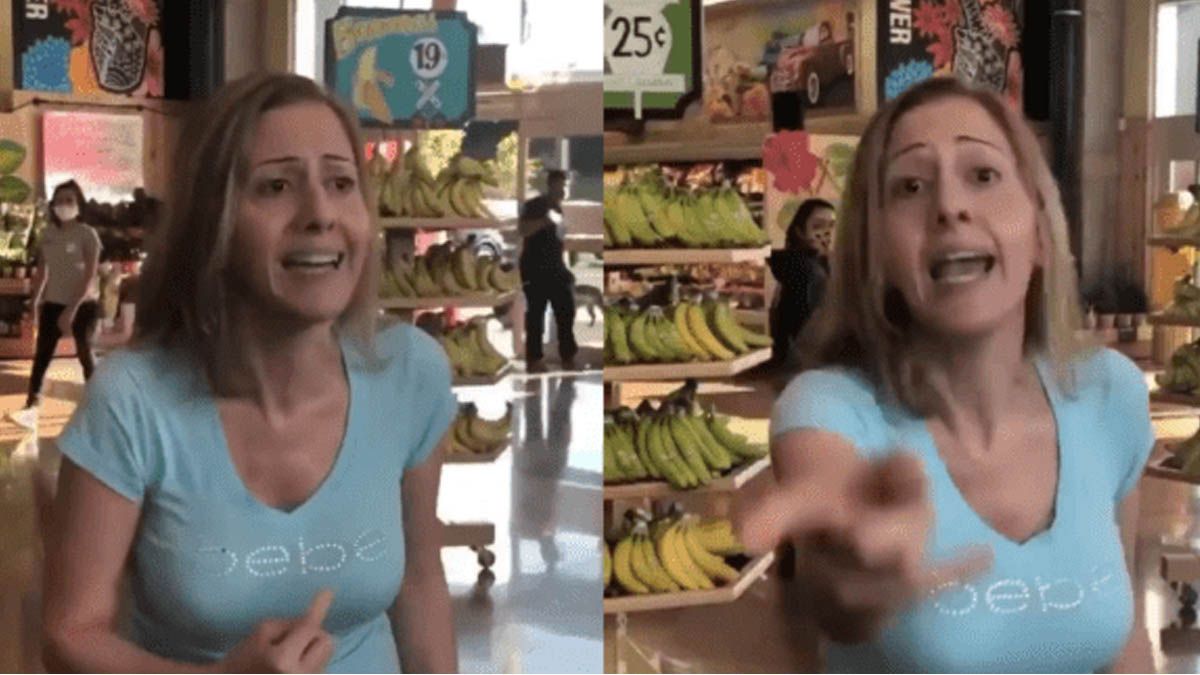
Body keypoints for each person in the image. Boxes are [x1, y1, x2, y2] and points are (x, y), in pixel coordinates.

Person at [42, 73, 458, 673]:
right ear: (215, 223)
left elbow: (420, 581)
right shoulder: (133, 402)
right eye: (277, 185)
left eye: (341, 183)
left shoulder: (409, 372)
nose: (320, 214)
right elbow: (68, 635)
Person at [736, 77, 1154, 672]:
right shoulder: (830, 408)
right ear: (877, 251)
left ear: (1038, 229)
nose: (949, 207)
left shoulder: (1108, 394)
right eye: (910, 186)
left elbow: (1124, 639)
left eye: (982, 175)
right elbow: (840, 588)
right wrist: (848, 577)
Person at [8, 180, 103, 430]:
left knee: (85, 353)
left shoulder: (87, 235)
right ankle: (31, 405)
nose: (63, 205)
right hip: (53, 303)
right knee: (42, 355)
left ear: (79, 205)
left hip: (84, 303)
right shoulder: (48, 235)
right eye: (59, 200)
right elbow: (43, 271)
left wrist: (72, 309)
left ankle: (97, 408)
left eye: (69, 200)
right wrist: (34, 301)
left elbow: (90, 275)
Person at [518, 169, 578, 371]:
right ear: (551, 185)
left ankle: (568, 357)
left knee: (566, 310)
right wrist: (544, 221)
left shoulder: (558, 209)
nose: (564, 190)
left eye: (567, 186)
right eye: (561, 185)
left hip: (556, 268)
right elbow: (523, 229)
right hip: (535, 269)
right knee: (536, 313)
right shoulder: (536, 205)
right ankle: (534, 359)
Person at [768, 198, 835, 367]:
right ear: (800, 231)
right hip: (806, 365)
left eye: (832, 226)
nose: (826, 234)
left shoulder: (815, 265)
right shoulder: (807, 270)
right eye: (818, 226)